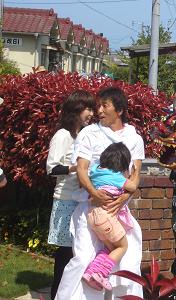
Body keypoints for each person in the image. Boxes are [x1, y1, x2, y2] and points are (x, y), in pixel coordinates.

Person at [56, 86, 145, 300]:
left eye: (105, 106)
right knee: (83, 258)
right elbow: (81, 169)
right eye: (99, 106)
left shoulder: (134, 138)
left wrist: (123, 198)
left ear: (120, 110)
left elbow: (136, 175)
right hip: (89, 209)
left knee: (127, 260)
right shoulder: (89, 133)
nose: (99, 111)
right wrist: (94, 193)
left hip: (118, 211)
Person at [46, 90, 95, 300]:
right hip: (66, 200)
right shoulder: (63, 135)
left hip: (80, 200)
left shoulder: (81, 136)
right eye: (88, 109)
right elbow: (51, 168)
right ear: (76, 110)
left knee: (78, 252)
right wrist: (78, 168)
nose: (92, 114)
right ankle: (56, 294)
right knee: (66, 253)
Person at [83, 142, 139, 291]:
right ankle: (101, 273)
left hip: (93, 217)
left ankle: (91, 272)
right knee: (122, 246)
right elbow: (132, 187)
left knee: (110, 249)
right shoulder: (114, 176)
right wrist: (133, 174)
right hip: (106, 217)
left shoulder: (95, 170)